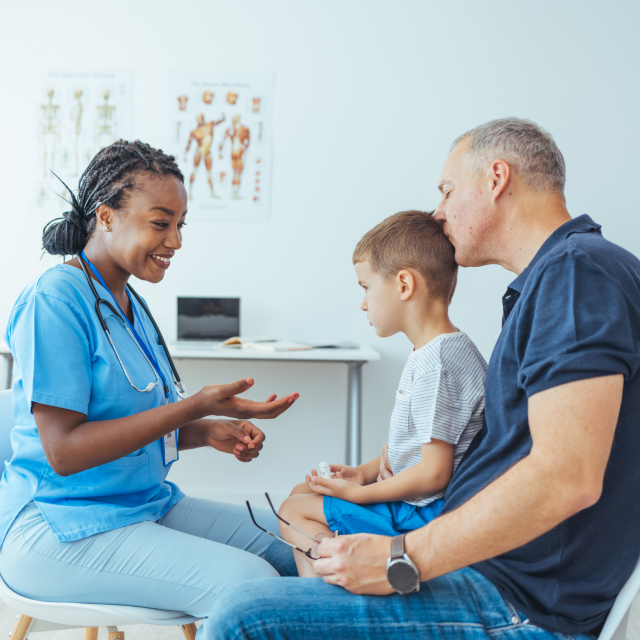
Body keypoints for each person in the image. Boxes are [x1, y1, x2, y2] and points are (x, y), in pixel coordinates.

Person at [204, 118, 640, 640]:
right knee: (278, 556)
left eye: (448, 190)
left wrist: (399, 558)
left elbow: (566, 475)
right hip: (495, 570)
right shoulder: (557, 279)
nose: (439, 211)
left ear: (497, 179)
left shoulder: (576, 274)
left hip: (519, 598)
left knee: (240, 613)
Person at [0, 140, 300, 623]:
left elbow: (127, 422)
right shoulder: (55, 302)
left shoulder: (128, 304)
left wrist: (207, 430)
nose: (176, 241)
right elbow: (65, 451)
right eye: (161, 223)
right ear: (106, 217)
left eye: (180, 225)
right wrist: (195, 407)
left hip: (142, 505)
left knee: (300, 541)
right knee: (253, 587)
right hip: (59, 525)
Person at [278, 210, 486, 579]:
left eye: (366, 288)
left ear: (404, 285)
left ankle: (321, 603)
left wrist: (362, 494)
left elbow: (435, 473)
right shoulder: (443, 350)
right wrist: (363, 472)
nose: (362, 304)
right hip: (416, 503)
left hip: (422, 514)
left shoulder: (436, 367)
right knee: (300, 492)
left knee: (293, 512)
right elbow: (412, 446)